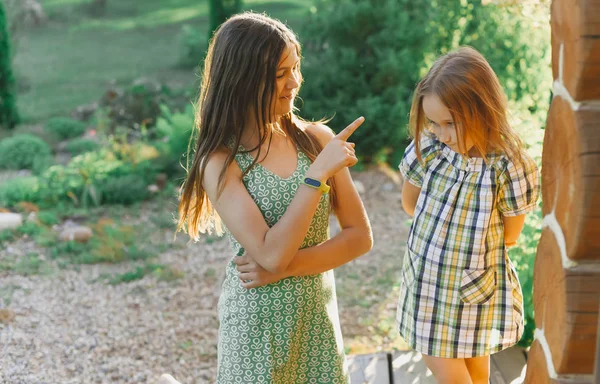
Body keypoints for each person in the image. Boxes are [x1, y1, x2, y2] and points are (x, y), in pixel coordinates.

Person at [176, 12, 373, 383]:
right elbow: (270, 253)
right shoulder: (221, 162)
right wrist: (316, 175)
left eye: (295, 68)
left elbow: (360, 238)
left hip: (315, 324)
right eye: (280, 74)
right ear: (244, 79)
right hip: (255, 333)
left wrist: (285, 269)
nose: (294, 82)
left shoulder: (316, 140)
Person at [396, 46, 540, 384]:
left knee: (473, 366)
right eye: (433, 122)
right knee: (445, 361)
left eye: (451, 123)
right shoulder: (430, 149)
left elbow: (511, 232)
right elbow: (409, 204)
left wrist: (467, 251)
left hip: (475, 286)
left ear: (483, 110)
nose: (442, 133)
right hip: (428, 280)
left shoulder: (508, 165)